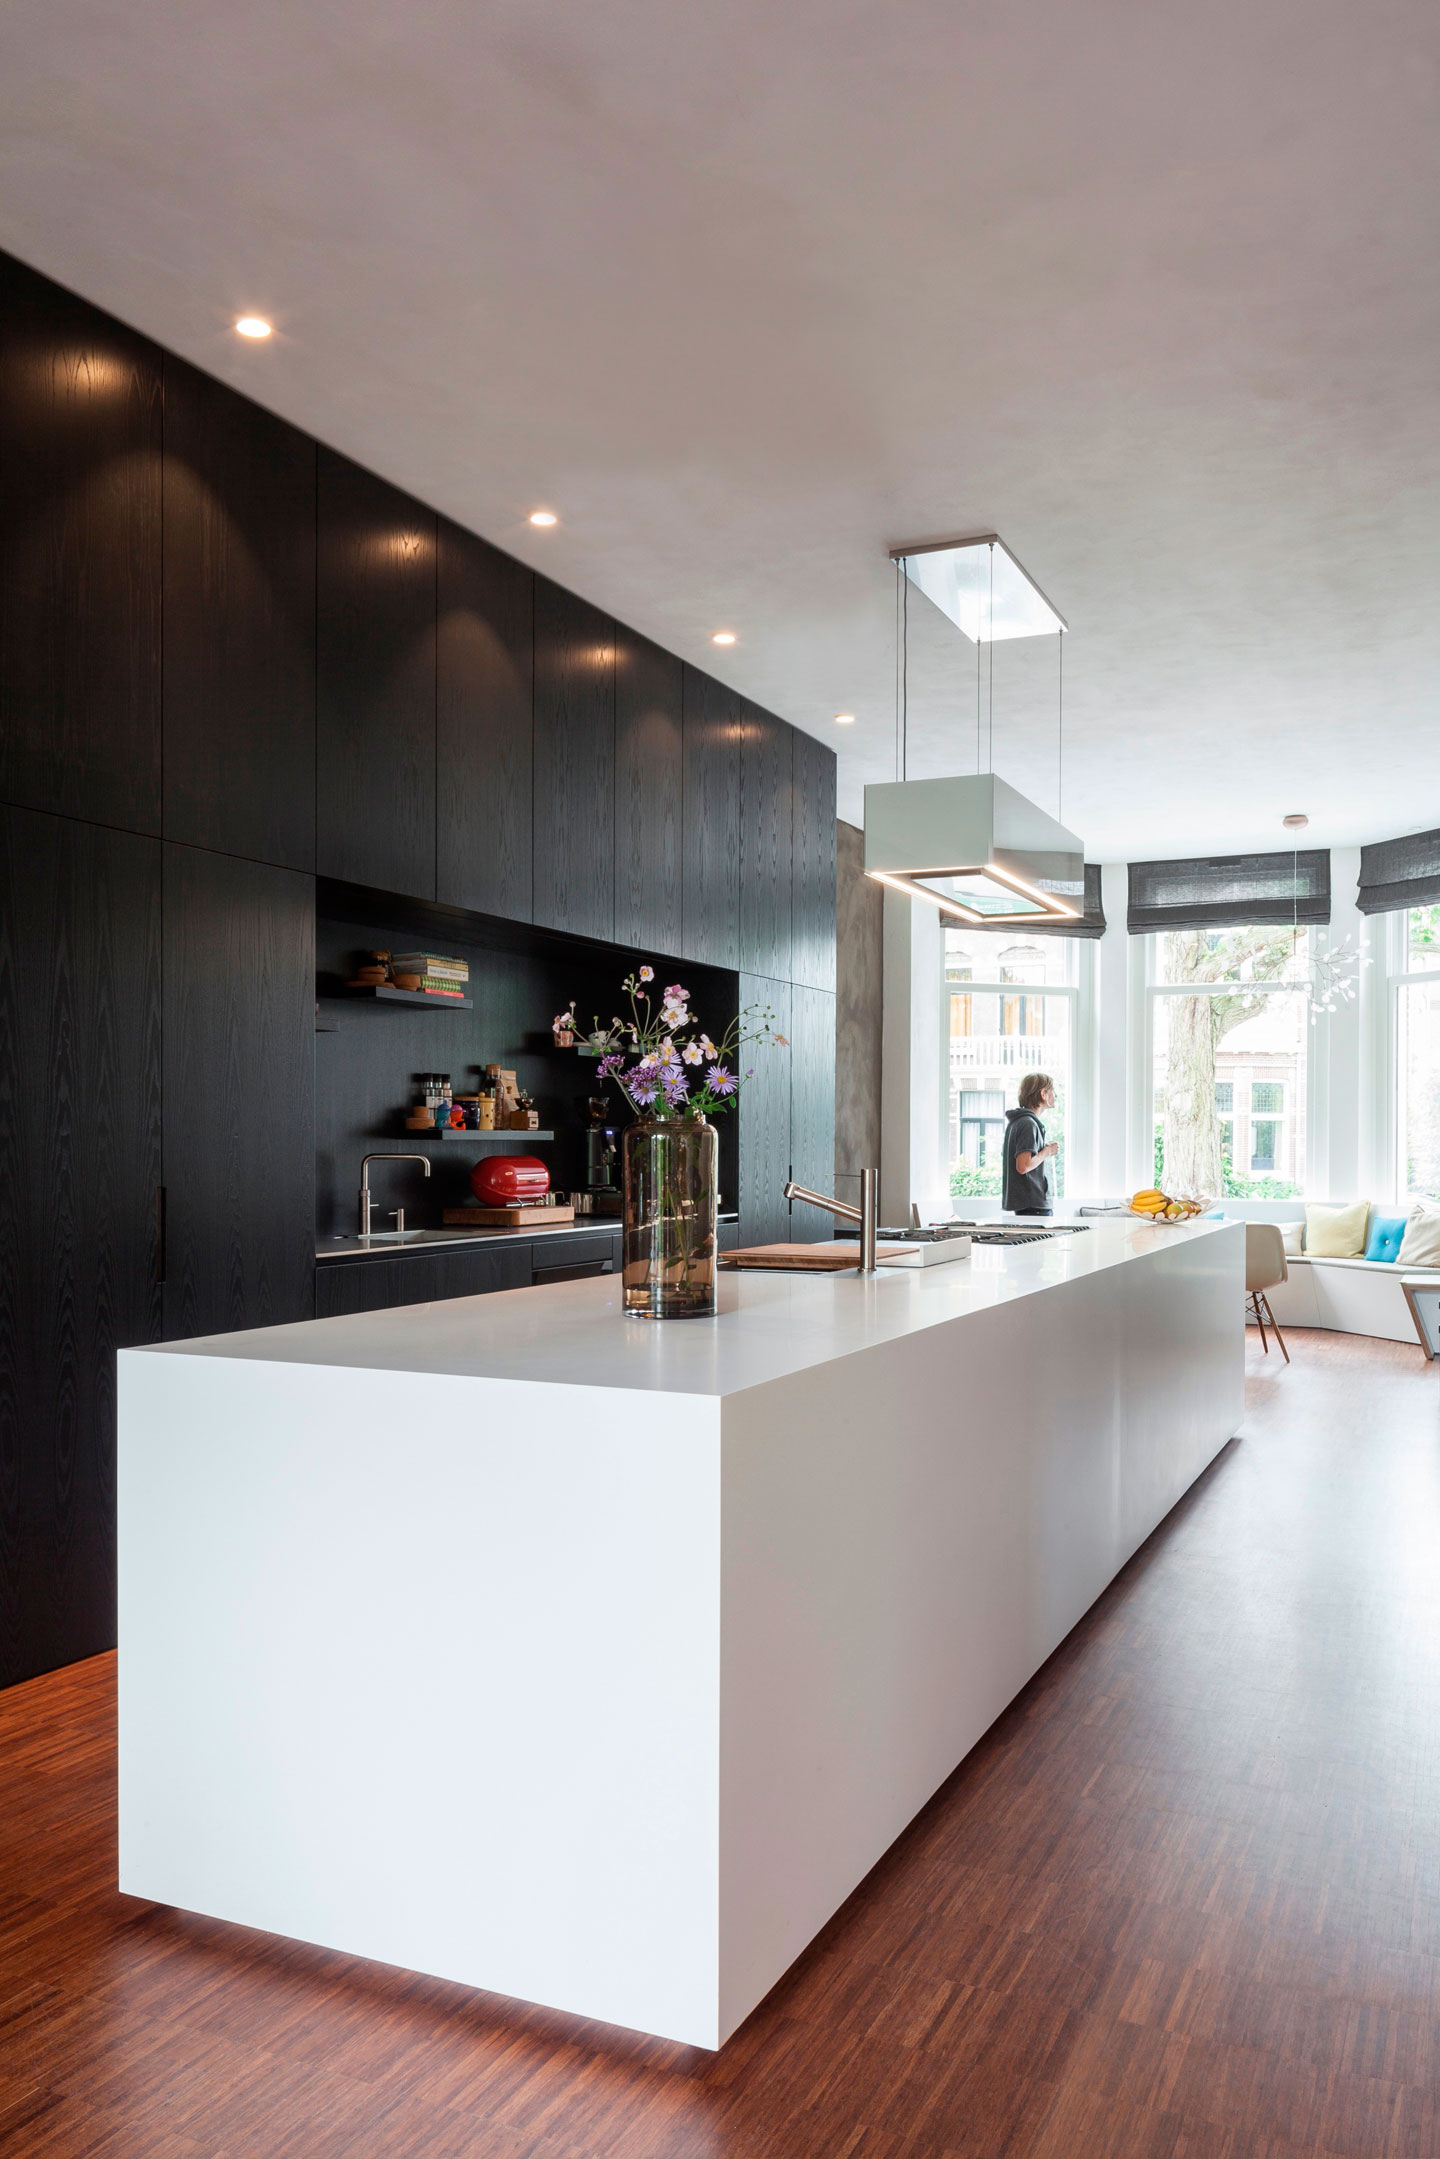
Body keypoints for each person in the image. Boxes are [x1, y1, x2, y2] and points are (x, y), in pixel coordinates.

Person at [1003, 1073, 1059, 1217]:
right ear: (1043, 1093)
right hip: (1034, 1206)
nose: (1056, 1095)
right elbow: (1023, 1166)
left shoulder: (1017, 1122)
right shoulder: (1028, 1124)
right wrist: (1047, 1151)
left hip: (1028, 1205)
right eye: (1053, 1090)